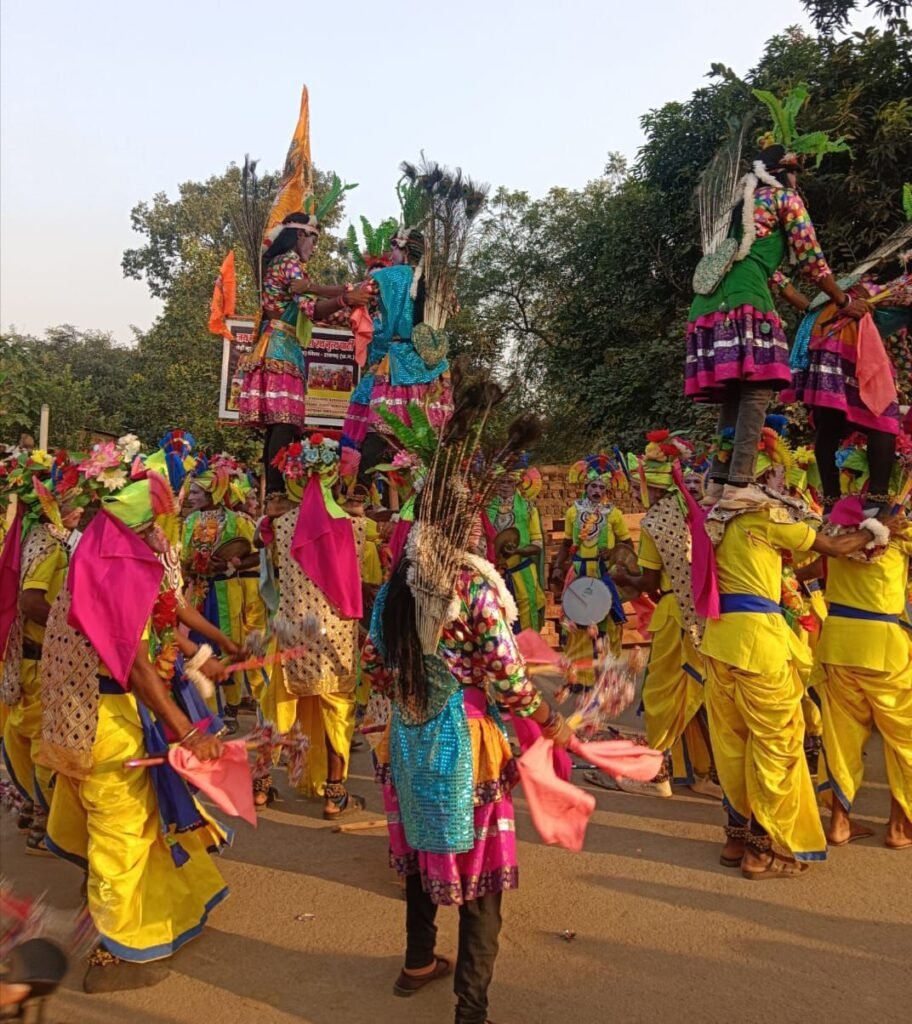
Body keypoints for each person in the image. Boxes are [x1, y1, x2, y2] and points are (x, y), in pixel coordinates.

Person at [361, 387, 570, 1024]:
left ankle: (416, 961)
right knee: (480, 876)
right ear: (466, 521)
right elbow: (507, 679)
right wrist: (548, 717)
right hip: (466, 740)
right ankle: (470, 1008)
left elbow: (374, 661)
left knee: (427, 850)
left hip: (410, 731)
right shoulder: (474, 585)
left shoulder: (398, 582)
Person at [42, 472, 230, 992]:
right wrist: (189, 734)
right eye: (149, 525)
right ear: (129, 530)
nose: (158, 535)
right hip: (104, 724)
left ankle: (146, 909)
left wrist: (205, 653)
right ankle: (113, 953)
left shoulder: (92, 557)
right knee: (121, 837)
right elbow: (137, 669)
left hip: (77, 720)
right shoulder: (117, 571)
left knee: (135, 823)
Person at [701, 486, 885, 878]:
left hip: (718, 641)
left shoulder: (713, 518)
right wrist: (876, 529)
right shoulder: (764, 518)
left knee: (732, 746)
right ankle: (761, 849)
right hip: (759, 645)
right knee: (777, 746)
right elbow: (833, 548)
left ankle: (735, 840)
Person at [686, 143, 862, 508]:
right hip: (745, 296)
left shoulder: (742, 207)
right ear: (785, 173)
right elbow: (813, 260)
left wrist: (811, 307)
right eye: (797, 174)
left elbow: (775, 276)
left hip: (709, 301)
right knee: (759, 386)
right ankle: (740, 482)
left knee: (735, 392)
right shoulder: (785, 198)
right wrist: (843, 300)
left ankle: (719, 483)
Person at [812, 438, 912, 850]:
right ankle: (899, 826)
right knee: (904, 737)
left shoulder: (836, 528)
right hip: (884, 646)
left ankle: (838, 823)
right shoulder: (901, 530)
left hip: (837, 642)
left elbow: (813, 568)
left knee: (842, 737)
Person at [613, 431, 719, 799]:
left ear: (649, 487)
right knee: (695, 690)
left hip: (675, 615)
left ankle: (658, 774)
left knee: (660, 694)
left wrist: (621, 576)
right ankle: (702, 773)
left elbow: (646, 581)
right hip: (707, 613)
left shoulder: (654, 523)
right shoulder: (695, 513)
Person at [265, 434, 366, 817]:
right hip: (335, 633)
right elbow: (352, 581)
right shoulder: (353, 526)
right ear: (332, 478)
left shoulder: (282, 524)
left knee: (279, 705)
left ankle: (262, 785)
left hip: (292, 627)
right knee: (336, 709)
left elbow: (276, 576)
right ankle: (334, 792)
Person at [238, 211, 370, 497]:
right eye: (314, 239)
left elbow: (316, 311)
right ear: (300, 235)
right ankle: (275, 493)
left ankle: (274, 492)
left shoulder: (280, 262)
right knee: (283, 422)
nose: (315, 247)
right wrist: (348, 296)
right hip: (279, 346)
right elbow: (311, 309)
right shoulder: (289, 261)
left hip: (279, 341)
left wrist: (354, 314)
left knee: (278, 426)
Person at [784, 261, 911, 517]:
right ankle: (875, 501)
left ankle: (832, 501)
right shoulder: (901, 281)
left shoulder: (877, 276)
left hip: (826, 338)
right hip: (844, 337)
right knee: (882, 417)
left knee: (829, 420)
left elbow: (897, 344)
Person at [181, 456, 264, 732]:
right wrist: (189, 569)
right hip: (199, 591)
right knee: (200, 645)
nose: (191, 497)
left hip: (228, 590)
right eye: (191, 491)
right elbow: (183, 558)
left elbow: (258, 555)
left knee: (229, 641)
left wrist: (230, 564)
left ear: (212, 492)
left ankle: (231, 705)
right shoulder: (190, 522)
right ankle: (207, 709)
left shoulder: (237, 521)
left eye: (196, 492)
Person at [550, 455, 631, 685]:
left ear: (607, 490)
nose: (597, 490)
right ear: (586, 487)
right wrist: (557, 566)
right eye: (593, 486)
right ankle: (580, 678)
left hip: (604, 573)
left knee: (608, 624)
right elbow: (567, 544)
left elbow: (628, 545)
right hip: (579, 573)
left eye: (601, 487)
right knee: (578, 623)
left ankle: (607, 676)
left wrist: (613, 552)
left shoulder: (614, 514)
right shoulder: (573, 512)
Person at [486, 465, 546, 633]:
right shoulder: (486, 509)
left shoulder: (528, 509)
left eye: (509, 482)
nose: (504, 486)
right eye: (501, 482)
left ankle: (529, 653)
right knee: (493, 611)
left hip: (522, 570)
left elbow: (537, 545)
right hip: (494, 571)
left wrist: (518, 551)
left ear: (517, 485)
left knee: (527, 605)